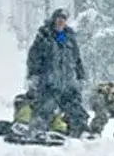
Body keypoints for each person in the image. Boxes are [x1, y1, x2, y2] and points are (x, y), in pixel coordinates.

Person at [20, 8, 90, 139]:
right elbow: (34, 57)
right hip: (49, 82)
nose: (61, 22)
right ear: (54, 20)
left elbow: (77, 60)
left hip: (68, 83)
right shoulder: (44, 36)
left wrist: (80, 77)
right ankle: (37, 131)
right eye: (59, 19)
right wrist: (33, 75)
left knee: (76, 109)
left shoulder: (69, 38)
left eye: (63, 19)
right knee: (44, 107)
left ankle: (81, 131)